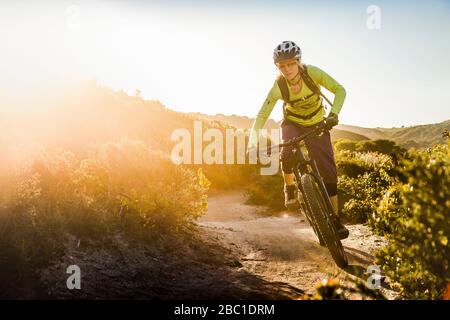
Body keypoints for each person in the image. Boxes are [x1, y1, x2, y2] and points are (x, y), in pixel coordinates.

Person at [247, 40, 349, 239]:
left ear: (299, 61)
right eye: (282, 66)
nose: (287, 69)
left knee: (328, 172)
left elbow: (340, 90)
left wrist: (333, 115)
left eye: (291, 63)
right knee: (287, 153)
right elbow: (261, 116)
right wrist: (252, 143)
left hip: (318, 123)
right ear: (277, 67)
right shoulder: (279, 86)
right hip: (292, 123)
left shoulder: (312, 73)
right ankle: (290, 188)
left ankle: (335, 220)